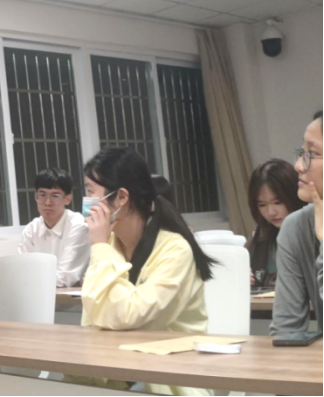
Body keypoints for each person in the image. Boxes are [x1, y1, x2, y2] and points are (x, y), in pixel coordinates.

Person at [72, 147, 216, 396]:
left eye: (91, 191)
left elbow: (129, 317)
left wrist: (99, 247)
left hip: (169, 377)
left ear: (121, 197)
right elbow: (93, 318)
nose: (87, 201)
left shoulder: (175, 250)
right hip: (119, 370)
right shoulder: (110, 243)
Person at [271, 111, 323, 336]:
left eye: (313, 153)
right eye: (302, 153)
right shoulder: (295, 228)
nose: (298, 165)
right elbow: (286, 330)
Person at [19, 169, 90, 288]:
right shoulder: (31, 229)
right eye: (42, 195)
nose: (47, 202)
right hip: (37, 294)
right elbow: (21, 270)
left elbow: (64, 278)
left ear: (68, 199)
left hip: (72, 298)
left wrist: (29, 282)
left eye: (55, 196)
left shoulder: (78, 226)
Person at [247, 159, 305, 288]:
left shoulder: (312, 230)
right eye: (262, 205)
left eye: (278, 202)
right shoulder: (261, 234)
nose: (271, 212)